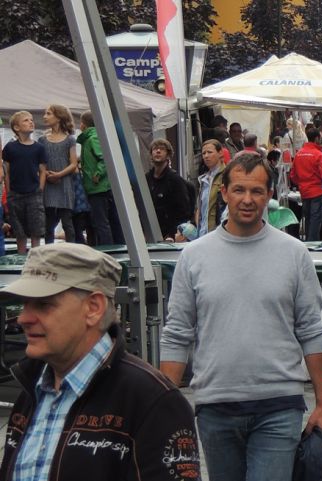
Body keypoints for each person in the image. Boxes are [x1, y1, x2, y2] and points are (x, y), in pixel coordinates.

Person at [161, 153, 322, 481]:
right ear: (224, 192)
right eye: (239, 190)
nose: (247, 199)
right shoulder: (194, 256)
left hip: (279, 405)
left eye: (257, 191)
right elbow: (177, 333)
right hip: (216, 405)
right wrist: (164, 407)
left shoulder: (294, 254)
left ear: (270, 194)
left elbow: (311, 330)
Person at [0, 243, 200, 481]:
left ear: (93, 308)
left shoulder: (152, 400)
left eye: (43, 304)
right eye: (24, 304)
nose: (23, 318)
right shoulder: (32, 389)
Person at [2, 111, 47, 254]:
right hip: (15, 194)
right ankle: (21, 258)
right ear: (16, 127)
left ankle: (36, 258)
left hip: (33, 193)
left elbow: (42, 170)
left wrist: (40, 188)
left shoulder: (39, 148)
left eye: (31, 120)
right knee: (19, 231)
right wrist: (9, 192)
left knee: (36, 230)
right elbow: (7, 171)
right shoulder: (10, 148)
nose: (31, 122)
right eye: (26, 121)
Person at [78, 111, 123, 246]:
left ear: (83, 125)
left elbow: (104, 158)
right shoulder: (94, 138)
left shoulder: (92, 138)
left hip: (97, 187)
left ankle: (108, 249)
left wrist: (97, 173)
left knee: (101, 222)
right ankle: (116, 245)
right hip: (98, 187)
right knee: (107, 220)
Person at [39, 105, 78, 244]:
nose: (45, 116)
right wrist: (47, 174)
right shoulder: (43, 140)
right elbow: (41, 163)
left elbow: (73, 163)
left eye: (48, 113)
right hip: (49, 184)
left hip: (64, 184)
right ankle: (49, 253)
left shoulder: (69, 140)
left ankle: (72, 252)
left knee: (67, 223)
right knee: (48, 224)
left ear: (59, 117)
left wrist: (59, 175)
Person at [145, 139, 192, 240]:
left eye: (162, 149)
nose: (158, 151)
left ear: (168, 155)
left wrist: (172, 234)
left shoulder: (175, 180)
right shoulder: (146, 179)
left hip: (169, 236)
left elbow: (183, 210)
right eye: (155, 149)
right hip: (150, 234)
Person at [289, 127, 322, 241]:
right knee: (315, 221)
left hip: (304, 192)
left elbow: (293, 175)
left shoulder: (298, 154)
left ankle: (308, 243)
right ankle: (313, 244)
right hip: (317, 191)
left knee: (308, 220)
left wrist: (302, 184)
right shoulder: (319, 155)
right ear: (317, 138)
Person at [196, 139, 227, 238]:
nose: (206, 156)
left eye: (209, 152)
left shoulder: (227, 175)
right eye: (203, 153)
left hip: (219, 234)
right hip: (203, 234)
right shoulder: (204, 179)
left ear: (220, 153)